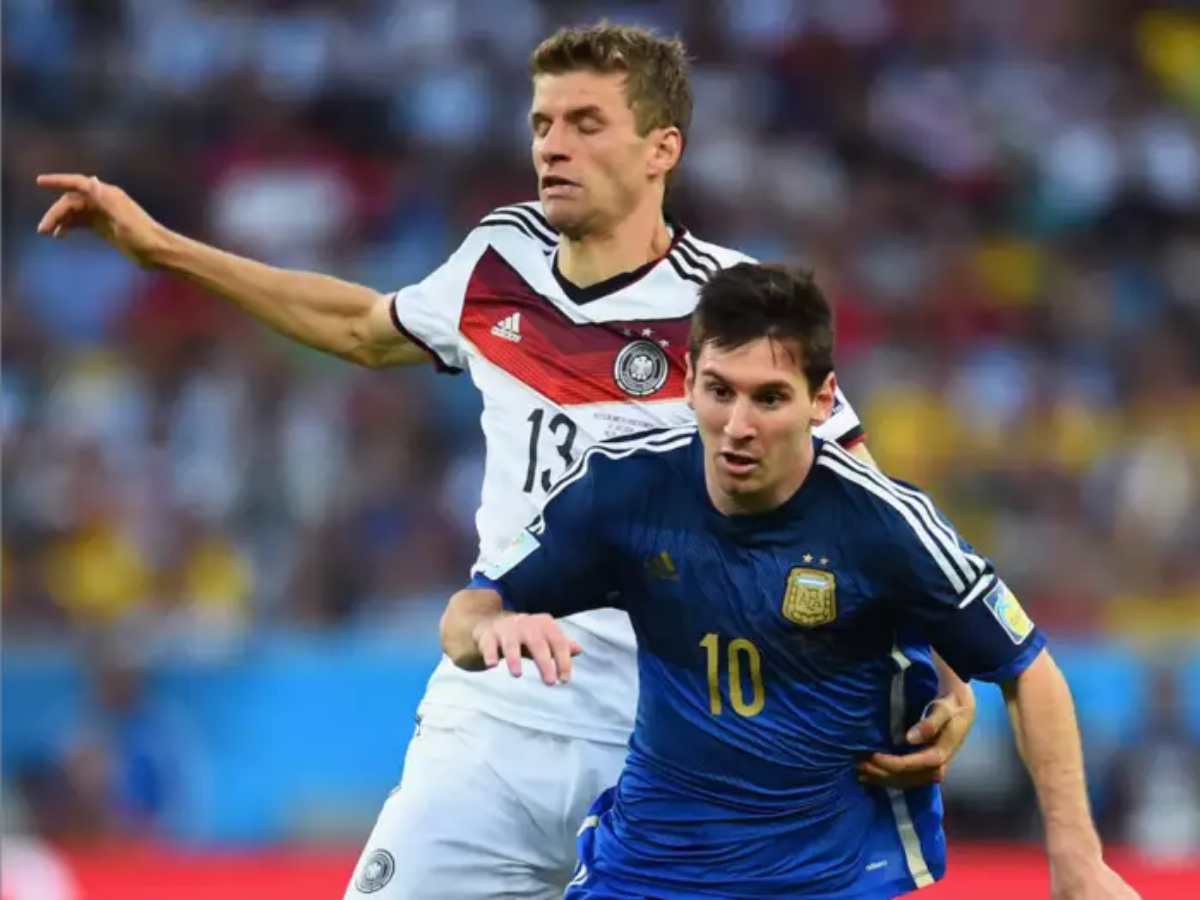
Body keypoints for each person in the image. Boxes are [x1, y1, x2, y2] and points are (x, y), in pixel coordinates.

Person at [35, 22, 974, 899]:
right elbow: (363, 326)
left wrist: (947, 670)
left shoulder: (727, 315)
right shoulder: (499, 259)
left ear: (662, 150)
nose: (551, 147)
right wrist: (160, 249)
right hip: (495, 712)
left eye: (584, 123)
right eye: (541, 123)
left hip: (667, 739)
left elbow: (859, 503)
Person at [442, 262, 1140, 899]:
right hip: (649, 867)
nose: (737, 426)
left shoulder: (881, 523)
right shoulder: (624, 492)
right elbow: (467, 616)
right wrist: (494, 627)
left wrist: (1077, 858)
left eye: (770, 398)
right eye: (719, 392)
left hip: (826, 875)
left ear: (821, 398)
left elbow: (1029, 667)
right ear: (687, 380)